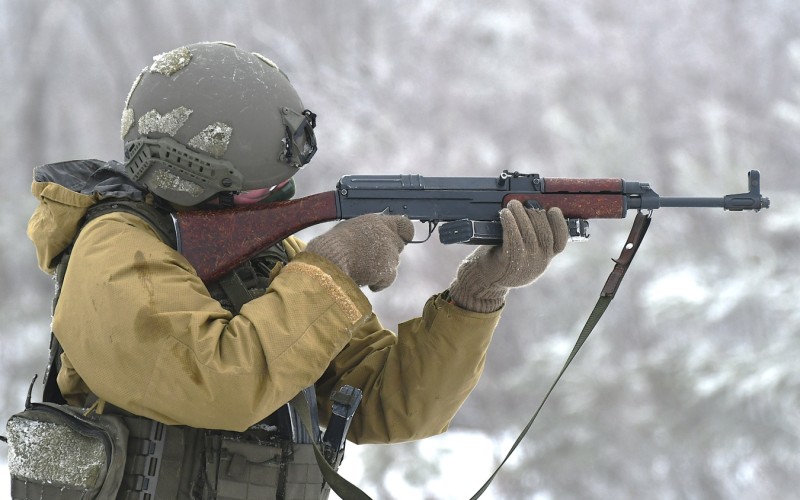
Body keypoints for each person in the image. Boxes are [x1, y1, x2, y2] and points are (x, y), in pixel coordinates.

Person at [17, 41, 568, 499]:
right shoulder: (113, 253)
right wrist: (335, 265)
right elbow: (223, 381)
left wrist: (477, 293)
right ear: (195, 177)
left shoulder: (266, 259)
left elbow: (389, 404)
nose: (281, 197)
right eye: (263, 186)